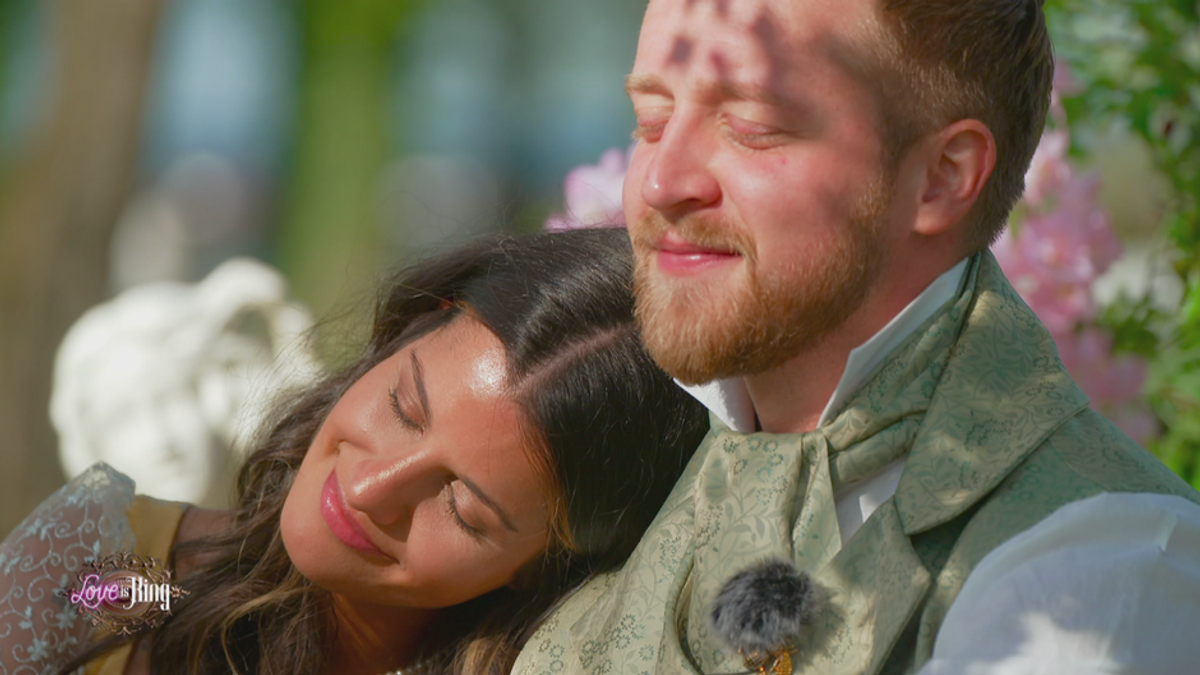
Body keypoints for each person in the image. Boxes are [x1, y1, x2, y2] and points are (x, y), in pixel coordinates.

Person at [513, 1, 1200, 674]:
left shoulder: (1108, 566)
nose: (661, 182)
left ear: (942, 177)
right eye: (651, 120)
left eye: (751, 127)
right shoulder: (599, 467)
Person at [0, 228, 711, 675]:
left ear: (538, 568)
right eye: (403, 406)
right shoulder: (136, 579)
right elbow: (101, 597)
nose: (371, 487)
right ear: (403, 330)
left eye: (462, 508)